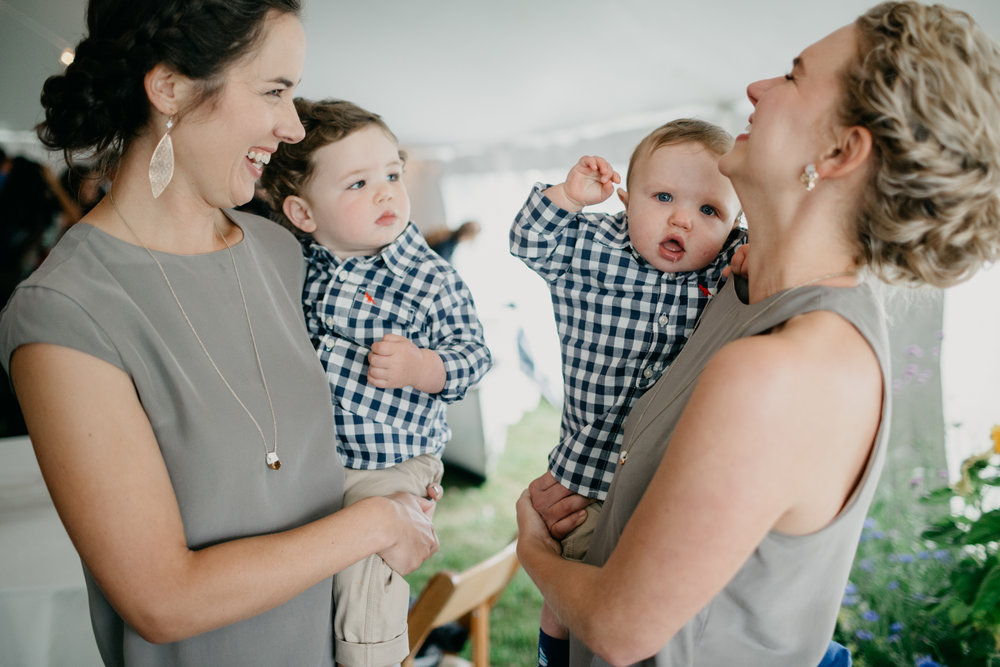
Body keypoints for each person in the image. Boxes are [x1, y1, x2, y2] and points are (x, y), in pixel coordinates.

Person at [515, 2, 1000, 665]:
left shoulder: (783, 369)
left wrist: (532, 545)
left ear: (839, 151)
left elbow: (622, 628)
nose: (755, 88)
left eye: (794, 77)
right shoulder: (746, 283)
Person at [0, 2, 441, 666]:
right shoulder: (64, 312)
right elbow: (162, 599)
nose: (292, 125)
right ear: (170, 87)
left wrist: (399, 486)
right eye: (274, 90)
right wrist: (376, 523)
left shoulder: (281, 251)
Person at [260, 97, 492, 667]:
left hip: (391, 464)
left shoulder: (428, 280)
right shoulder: (297, 264)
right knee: (305, 565)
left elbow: (474, 356)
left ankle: (374, 659)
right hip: (318, 459)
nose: (387, 192)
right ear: (303, 214)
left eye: (392, 173)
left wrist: (421, 367)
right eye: (359, 183)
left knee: (367, 570)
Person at [510, 119, 745, 665]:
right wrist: (567, 197)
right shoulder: (593, 247)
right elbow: (528, 240)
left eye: (710, 210)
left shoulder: (729, 266)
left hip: (663, 481)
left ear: (735, 221)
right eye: (662, 196)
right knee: (568, 596)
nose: (682, 218)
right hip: (585, 472)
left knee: (639, 603)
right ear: (625, 196)